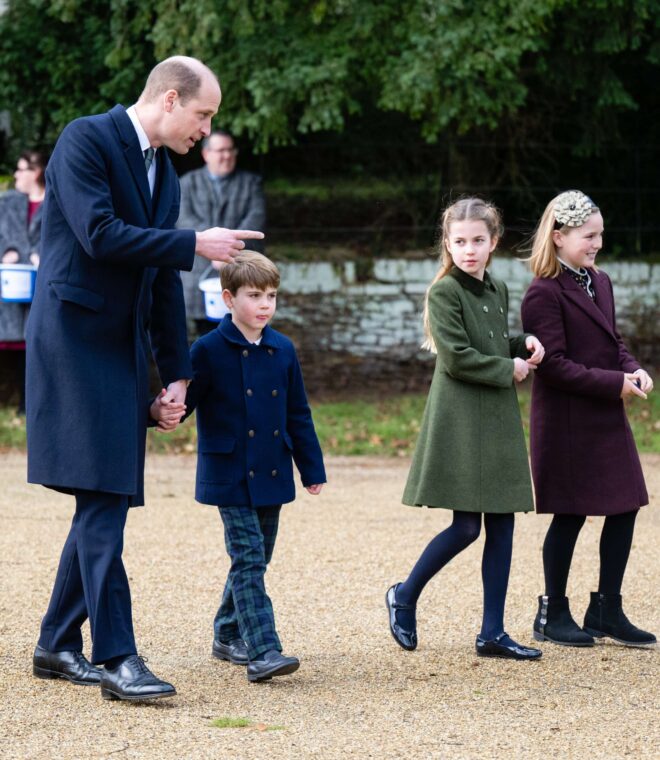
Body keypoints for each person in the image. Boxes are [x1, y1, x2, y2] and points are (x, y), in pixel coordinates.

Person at [27, 55, 264, 702]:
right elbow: (100, 236)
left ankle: (54, 644)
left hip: (123, 350)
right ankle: (117, 656)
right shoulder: (85, 138)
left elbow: (161, 282)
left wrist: (178, 376)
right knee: (105, 496)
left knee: (105, 495)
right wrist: (193, 243)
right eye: (204, 114)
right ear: (168, 99)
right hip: (74, 345)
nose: (207, 128)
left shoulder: (165, 176)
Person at [152, 251, 325, 682]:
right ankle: (263, 649)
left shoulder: (283, 349)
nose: (265, 305)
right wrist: (162, 414)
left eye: (271, 295)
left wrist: (312, 468)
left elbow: (298, 413)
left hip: (271, 470)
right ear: (228, 298)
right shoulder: (207, 350)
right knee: (248, 557)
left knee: (256, 558)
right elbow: (184, 401)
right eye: (254, 296)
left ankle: (227, 633)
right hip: (228, 473)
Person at [385, 197, 544, 660]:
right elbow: (456, 356)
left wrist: (522, 342)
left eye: (478, 240)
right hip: (461, 415)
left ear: (494, 242)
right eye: (460, 241)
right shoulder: (444, 292)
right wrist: (509, 367)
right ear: (447, 243)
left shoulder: (495, 288)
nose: (469, 249)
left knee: (502, 523)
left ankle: (492, 632)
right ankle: (405, 593)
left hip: (495, 413)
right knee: (466, 528)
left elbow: (490, 340)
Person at [521, 190, 655, 648]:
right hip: (566, 422)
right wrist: (613, 383)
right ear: (558, 237)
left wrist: (632, 367)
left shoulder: (601, 281)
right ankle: (552, 611)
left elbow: (613, 341)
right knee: (570, 514)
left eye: (600, 234)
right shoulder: (542, 291)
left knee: (625, 505)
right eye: (588, 235)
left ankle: (606, 609)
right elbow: (553, 364)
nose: (597, 243)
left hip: (604, 414)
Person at [177, 130, 266, 335]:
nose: (227, 155)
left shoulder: (251, 183)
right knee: (206, 337)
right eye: (220, 150)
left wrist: (229, 252)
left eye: (230, 150)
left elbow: (255, 221)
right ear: (206, 154)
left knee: (245, 336)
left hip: (244, 271)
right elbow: (183, 220)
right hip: (200, 274)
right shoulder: (187, 183)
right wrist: (213, 248)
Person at [0, 149, 47, 413]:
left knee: (37, 342)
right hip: (12, 283)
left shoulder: (54, 201)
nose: (16, 175)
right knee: (16, 343)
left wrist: (42, 255)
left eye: (21, 169)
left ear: (36, 172)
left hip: (43, 284)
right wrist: (9, 251)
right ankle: (21, 404)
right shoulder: (7, 203)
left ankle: (32, 404)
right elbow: (3, 236)